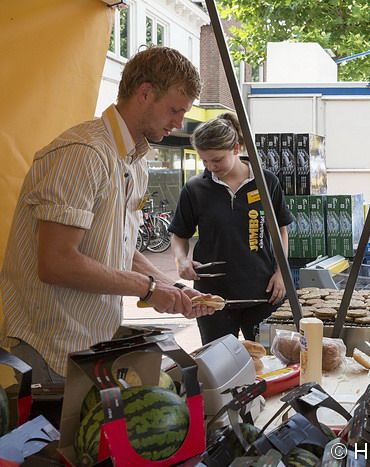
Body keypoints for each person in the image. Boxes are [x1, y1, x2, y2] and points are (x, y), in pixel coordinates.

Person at [0, 46, 216, 383]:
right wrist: (148, 288)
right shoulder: (84, 152)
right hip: (52, 345)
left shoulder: (134, 160)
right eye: (175, 110)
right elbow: (56, 262)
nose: (178, 123)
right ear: (145, 93)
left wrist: (172, 288)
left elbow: (118, 247)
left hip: (89, 343)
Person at [169, 112, 294, 344]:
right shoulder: (194, 188)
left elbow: (281, 230)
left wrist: (281, 273)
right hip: (211, 298)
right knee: (218, 359)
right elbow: (179, 236)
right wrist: (181, 261)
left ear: (235, 148)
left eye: (216, 160)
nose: (210, 167)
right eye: (204, 161)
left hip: (263, 292)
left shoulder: (267, 182)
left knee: (267, 358)